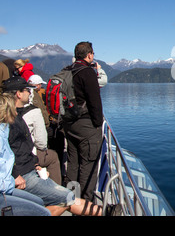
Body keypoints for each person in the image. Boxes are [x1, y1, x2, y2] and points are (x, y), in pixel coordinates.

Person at [2, 76, 107, 216]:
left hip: (28, 168)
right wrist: (15, 174)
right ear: (18, 94)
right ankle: (107, 212)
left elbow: (19, 148)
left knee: (63, 199)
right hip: (24, 175)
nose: (30, 93)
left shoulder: (16, 116)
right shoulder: (9, 121)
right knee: (68, 198)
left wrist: (34, 163)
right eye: (27, 90)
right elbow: (6, 151)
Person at [64, 42, 104, 201]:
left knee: (72, 163)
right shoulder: (87, 72)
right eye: (92, 53)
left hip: (68, 124)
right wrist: (98, 124)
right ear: (89, 55)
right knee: (88, 165)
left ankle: (71, 198)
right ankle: (85, 203)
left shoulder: (67, 70)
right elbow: (95, 101)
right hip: (86, 126)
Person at [1, 92, 51, 216]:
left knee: (39, 201)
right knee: (43, 213)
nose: (17, 113)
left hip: (7, 187)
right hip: (3, 191)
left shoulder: (4, 130)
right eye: (14, 110)